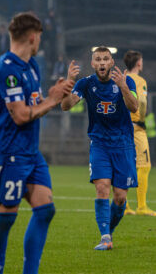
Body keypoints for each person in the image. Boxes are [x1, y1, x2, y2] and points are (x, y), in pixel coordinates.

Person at [0, 12, 73, 274]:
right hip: (8, 153)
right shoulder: (6, 70)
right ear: (33, 37)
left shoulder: (32, 66)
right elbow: (21, 115)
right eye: (40, 38)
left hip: (30, 153)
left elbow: (34, 104)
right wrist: (53, 100)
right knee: (6, 217)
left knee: (45, 210)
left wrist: (52, 95)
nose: (40, 43)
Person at [61, 46, 139, 250]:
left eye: (106, 59)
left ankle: (108, 231)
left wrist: (122, 86)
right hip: (100, 143)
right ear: (93, 64)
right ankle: (105, 236)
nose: (102, 62)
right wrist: (68, 85)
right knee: (102, 186)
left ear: (112, 63)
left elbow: (134, 107)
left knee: (120, 197)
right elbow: (66, 106)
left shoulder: (126, 80)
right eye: (98, 59)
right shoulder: (86, 84)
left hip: (123, 144)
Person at [123, 50, 156, 216]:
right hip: (136, 126)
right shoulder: (140, 80)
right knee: (144, 166)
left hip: (122, 125)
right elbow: (143, 101)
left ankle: (123, 206)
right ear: (138, 63)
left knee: (123, 165)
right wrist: (142, 118)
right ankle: (142, 206)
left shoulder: (122, 79)